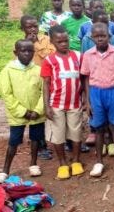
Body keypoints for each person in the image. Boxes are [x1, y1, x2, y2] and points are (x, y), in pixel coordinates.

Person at [80, 23, 114, 177]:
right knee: (98, 128)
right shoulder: (88, 55)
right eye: (97, 36)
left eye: (103, 36)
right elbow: (86, 78)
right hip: (96, 93)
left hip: (113, 93)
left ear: (109, 36)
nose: (100, 39)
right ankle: (99, 161)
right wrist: (88, 101)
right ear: (92, 37)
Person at [0, 40, 45, 183]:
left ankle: (33, 163)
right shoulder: (7, 71)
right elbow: (6, 94)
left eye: (30, 51)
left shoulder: (38, 70)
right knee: (14, 141)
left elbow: (44, 92)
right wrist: (23, 111)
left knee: (36, 138)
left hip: (36, 113)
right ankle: (5, 170)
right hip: (17, 114)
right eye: (23, 51)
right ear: (16, 52)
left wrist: (38, 110)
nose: (27, 54)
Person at [40, 25, 84, 180]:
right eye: (60, 42)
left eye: (66, 40)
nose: (64, 44)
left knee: (76, 132)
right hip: (56, 104)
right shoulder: (49, 61)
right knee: (58, 136)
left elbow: (83, 79)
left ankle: (76, 161)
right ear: (52, 42)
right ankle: (63, 163)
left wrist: (85, 97)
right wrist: (47, 106)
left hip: (75, 103)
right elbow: (46, 84)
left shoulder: (78, 56)